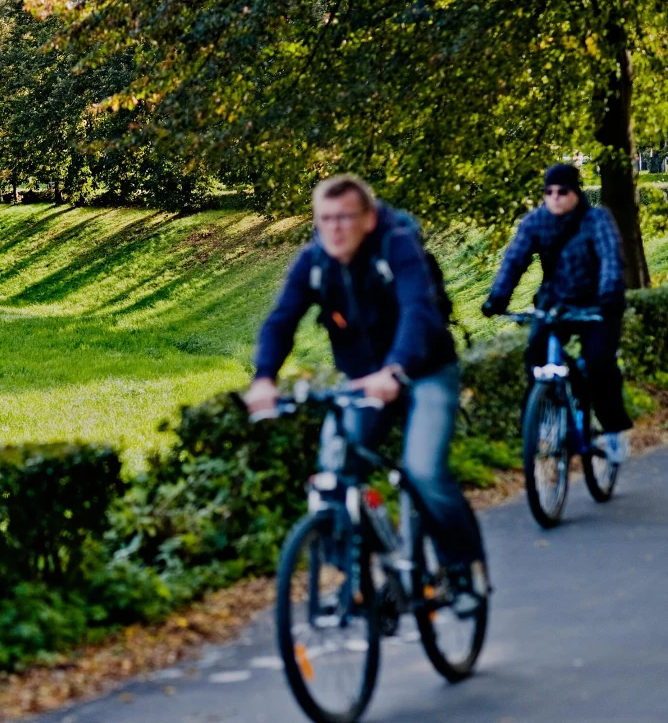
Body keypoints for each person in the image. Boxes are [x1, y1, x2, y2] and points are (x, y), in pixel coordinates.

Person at [245, 175, 487, 615]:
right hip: (362, 383)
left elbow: (418, 309)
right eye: (325, 219)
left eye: (345, 218)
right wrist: (263, 377)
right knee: (332, 479)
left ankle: (462, 570)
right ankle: (361, 578)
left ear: (369, 219)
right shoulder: (314, 262)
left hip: (425, 370)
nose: (334, 229)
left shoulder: (397, 247)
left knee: (423, 471)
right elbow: (281, 320)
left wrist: (395, 369)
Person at [480, 162, 630, 463]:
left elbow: (610, 258)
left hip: (599, 304)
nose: (555, 197)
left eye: (562, 191)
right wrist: (497, 298)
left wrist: (611, 294)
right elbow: (514, 260)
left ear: (575, 193)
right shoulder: (536, 222)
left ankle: (613, 431)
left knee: (600, 362)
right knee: (536, 354)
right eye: (548, 192)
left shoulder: (596, 219)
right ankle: (550, 409)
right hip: (556, 303)